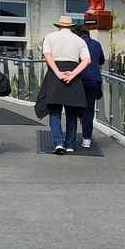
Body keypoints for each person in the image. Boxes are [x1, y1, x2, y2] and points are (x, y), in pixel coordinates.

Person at [34, 15, 90, 154]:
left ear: (59, 26)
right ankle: (70, 144)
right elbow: (87, 60)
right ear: (71, 27)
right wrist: (73, 73)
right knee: (71, 112)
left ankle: (58, 143)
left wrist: (57, 72)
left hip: (55, 75)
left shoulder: (50, 37)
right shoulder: (79, 40)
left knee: (55, 111)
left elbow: (47, 55)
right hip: (73, 76)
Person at [71, 24, 104, 149]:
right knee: (89, 110)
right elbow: (102, 61)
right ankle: (87, 139)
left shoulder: (75, 44)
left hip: (77, 79)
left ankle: (71, 138)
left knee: (72, 108)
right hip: (93, 80)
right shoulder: (96, 44)